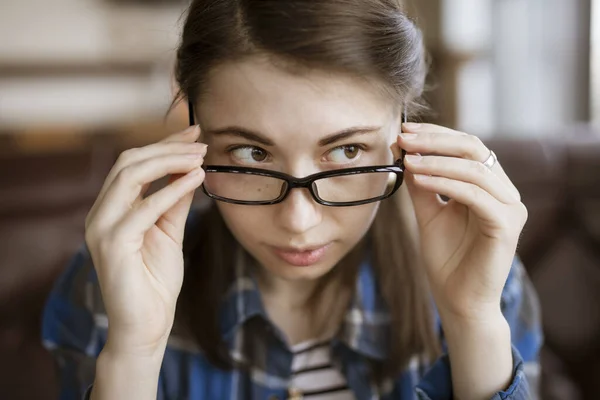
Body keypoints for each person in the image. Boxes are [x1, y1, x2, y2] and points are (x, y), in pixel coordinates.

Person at [41, 0, 542, 399]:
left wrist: (472, 322)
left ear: (403, 128)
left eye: (347, 151)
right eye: (251, 153)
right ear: (192, 124)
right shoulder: (110, 280)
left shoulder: (486, 276)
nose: (299, 221)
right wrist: (133, 351)